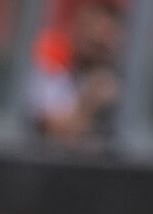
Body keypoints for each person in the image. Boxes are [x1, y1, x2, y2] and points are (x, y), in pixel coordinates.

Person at [28, 0, 125, 142]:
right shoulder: (53, 63)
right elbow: (55, 131)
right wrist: (89, 102)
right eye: (93, 42)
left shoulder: (114, 74)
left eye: (105, 44)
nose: (99, 50)